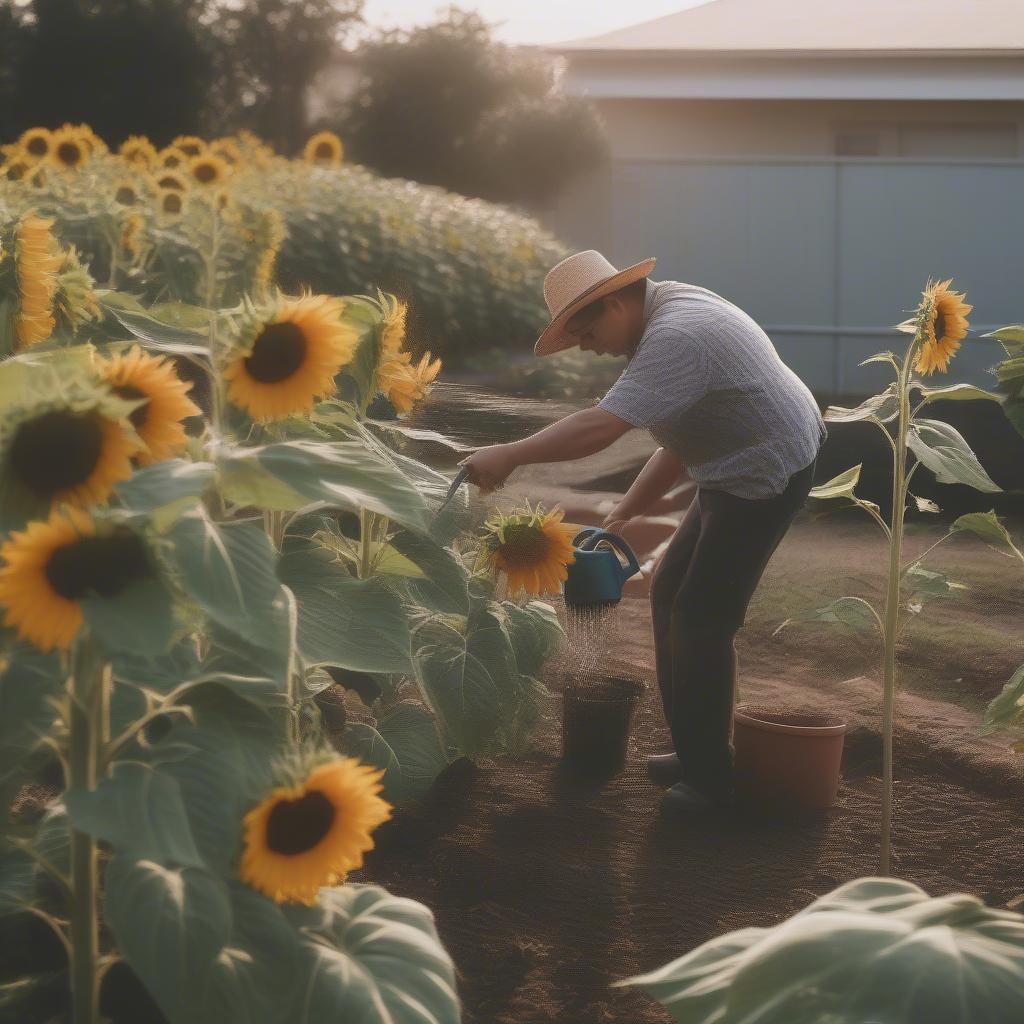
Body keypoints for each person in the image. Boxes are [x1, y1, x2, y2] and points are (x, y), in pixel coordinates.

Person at [458, 250, 826, 814]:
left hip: (765, 471)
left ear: (615, 303)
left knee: (702, 620)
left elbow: (599, 428)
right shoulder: (663, 319)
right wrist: (625, 511)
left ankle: (709, 781)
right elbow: (682, 434)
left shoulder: (680, 333)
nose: (587, 347)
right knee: (668, 591)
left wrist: (510, 455)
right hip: (731, 465)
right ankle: (697, 750)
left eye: (585, 333)